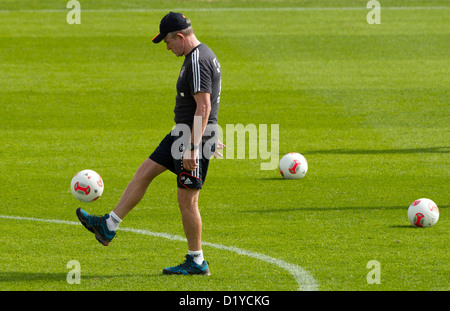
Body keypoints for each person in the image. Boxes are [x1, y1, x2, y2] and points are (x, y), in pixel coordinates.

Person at [76, 11, 223, 276]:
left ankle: (197, 262)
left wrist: (196, 144)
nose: (166, 47)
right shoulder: (195, 57)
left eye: (167, 41)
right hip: (182, 134)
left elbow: (204, 104)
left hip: (191, 139)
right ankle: (109, 225)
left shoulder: (198, 60)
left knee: (187, 200)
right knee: (145, 171)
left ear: (179, 36)